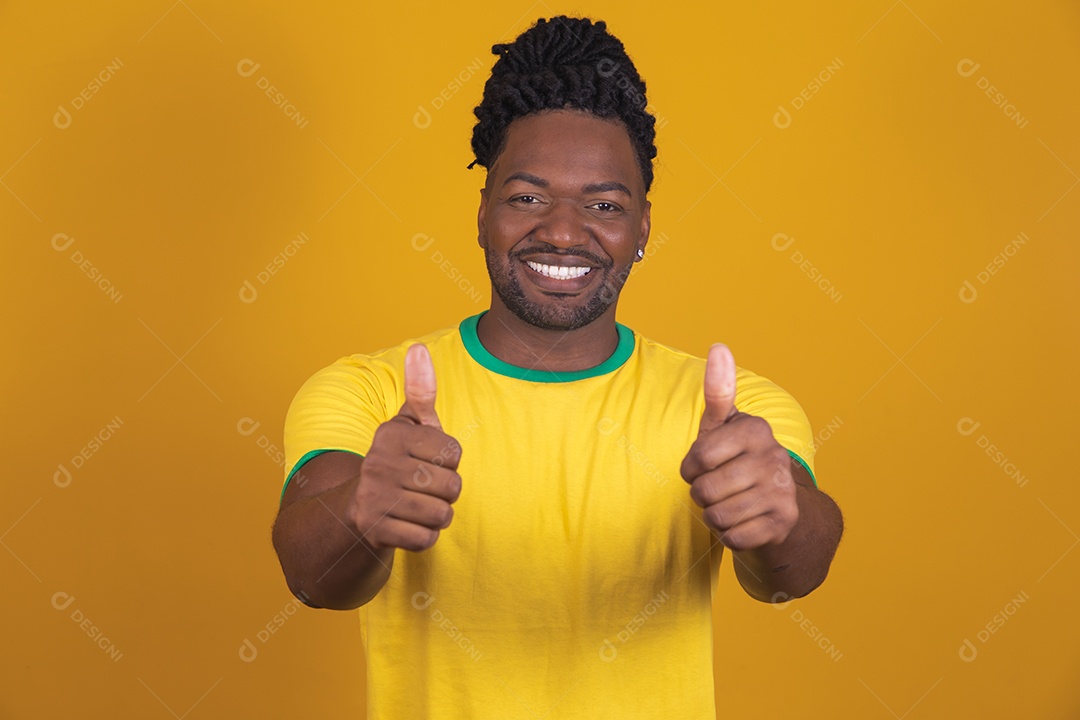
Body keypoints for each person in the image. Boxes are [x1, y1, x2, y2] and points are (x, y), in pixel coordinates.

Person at [272, 15, 843, 719]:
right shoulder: (369, 390)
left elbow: (795, 575)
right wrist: (361, 509)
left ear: (642, 230)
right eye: (527, 198)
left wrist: (778, 517)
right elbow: (312, 577)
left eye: (603, 204)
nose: (565, 231)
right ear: (483, 214)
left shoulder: (730, 409)